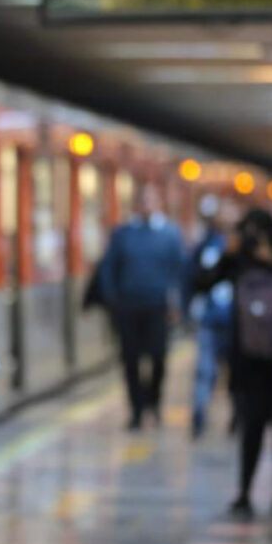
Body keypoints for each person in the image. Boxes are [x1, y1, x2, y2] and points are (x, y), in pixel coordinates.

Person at [200, 210, 272, 517]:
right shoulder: (239, 255)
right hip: (251, 361)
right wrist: (227, 256)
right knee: (251, 426)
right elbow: (204, 282)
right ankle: (244, 491)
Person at [100, 183, 183, 430]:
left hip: (158, 306)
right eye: (143, 201)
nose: (147, 205)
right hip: (129, 306)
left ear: (158, 203)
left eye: (151, 200)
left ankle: (154, 402)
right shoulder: (123, 233)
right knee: (130, 360)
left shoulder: (169, 233)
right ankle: (136, 410)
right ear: (136, 205)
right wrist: (113, 301)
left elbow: (179, 271)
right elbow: (108, 268)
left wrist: (177, 303)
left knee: (158, 357)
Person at [183, 194, 235, 438]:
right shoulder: (206, 244)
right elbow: (192, 278)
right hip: (210, 319)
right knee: (205, 370)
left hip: (238, 322)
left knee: (236, 373)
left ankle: (239, 415)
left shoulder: (243, 244)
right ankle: (199, 413)